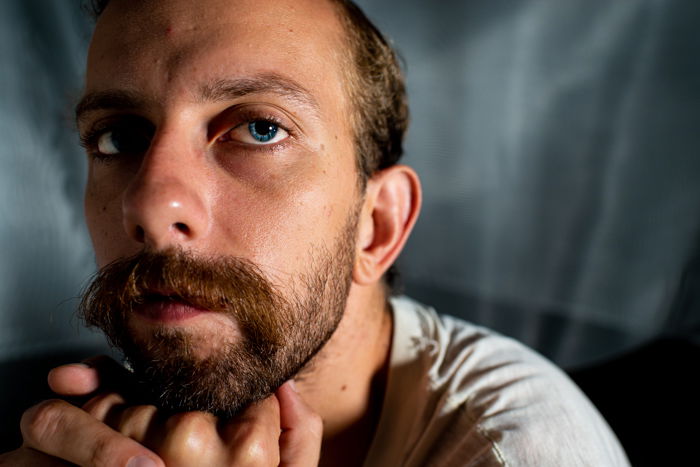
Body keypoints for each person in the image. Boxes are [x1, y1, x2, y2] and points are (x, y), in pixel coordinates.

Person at [1, 0, 630, 465]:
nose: (149, 203)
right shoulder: (70, 428)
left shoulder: (520, 448)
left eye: (259, 129)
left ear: (376, 226)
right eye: (119, 136)